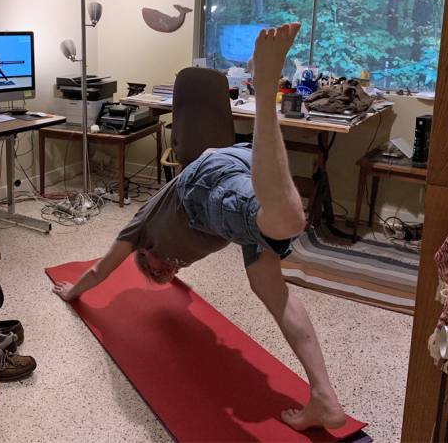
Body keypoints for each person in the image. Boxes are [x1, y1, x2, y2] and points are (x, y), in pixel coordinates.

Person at [53, 23, 345, 431]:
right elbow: (184, 279)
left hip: (203, 186)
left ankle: (264, 90)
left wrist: (73, 294)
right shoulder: (177, 258)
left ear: (144, 252)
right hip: (238, 173)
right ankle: (324, 399)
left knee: (279, 221)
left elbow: (101, 270)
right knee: (272, 290)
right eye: (165, 276)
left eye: (153, 269)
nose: (165, 270)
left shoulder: (143, 229)